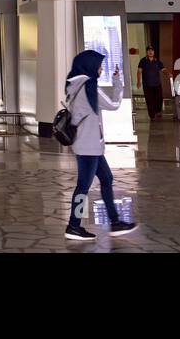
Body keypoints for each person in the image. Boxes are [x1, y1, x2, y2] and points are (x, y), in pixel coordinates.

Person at [63, 49, 140, 241]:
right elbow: (114, 104)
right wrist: (117, 82)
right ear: (90, 66)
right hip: (89, 147)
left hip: (87, 144)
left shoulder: (73, 84)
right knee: (83, 187)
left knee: (106, 179)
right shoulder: (90, 87)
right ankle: (74, 225)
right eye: (98, 66)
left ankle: (115, 222)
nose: (100, 69)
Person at [137, 46, 165, 121]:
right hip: (147, 85)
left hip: (157, 84)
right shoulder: (142, 61)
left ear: (154, 52)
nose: (150, 52)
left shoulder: (157, 61)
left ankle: (158, 111)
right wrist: (138, 81)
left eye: (152, 50)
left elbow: (163, 70)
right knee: (150, 100)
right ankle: (152, 116)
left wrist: (168, 74)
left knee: (159, 98)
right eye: (149, 50)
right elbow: (139, 71)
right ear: (146, 52)